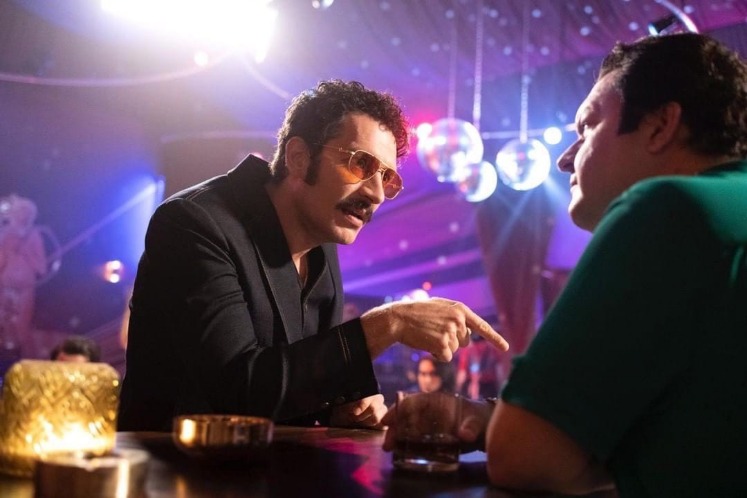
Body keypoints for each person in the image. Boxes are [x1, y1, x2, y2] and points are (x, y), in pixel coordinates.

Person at [383, 33, 747, 497]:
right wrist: (495, 417)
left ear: (660, 125)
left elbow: (523, 458)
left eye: (588, 127)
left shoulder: (669, 209)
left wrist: (519, 432)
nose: (563, 159)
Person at [118, 80, 508, 432]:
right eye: (361, 164)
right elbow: (236, 393)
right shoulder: (195, 222)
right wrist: (389, 323)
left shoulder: (322, 246)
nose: (375, 194)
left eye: (386, 177)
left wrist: (337, 407)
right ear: (299, 157)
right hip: (172, 472)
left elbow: (292, 383)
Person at [454, 333, 503, 399]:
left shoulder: (470, 349)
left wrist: (458, 389)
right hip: (484, 384)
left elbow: (463, 372)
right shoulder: (490, 349)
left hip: (483, 384)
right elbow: (498, 369)